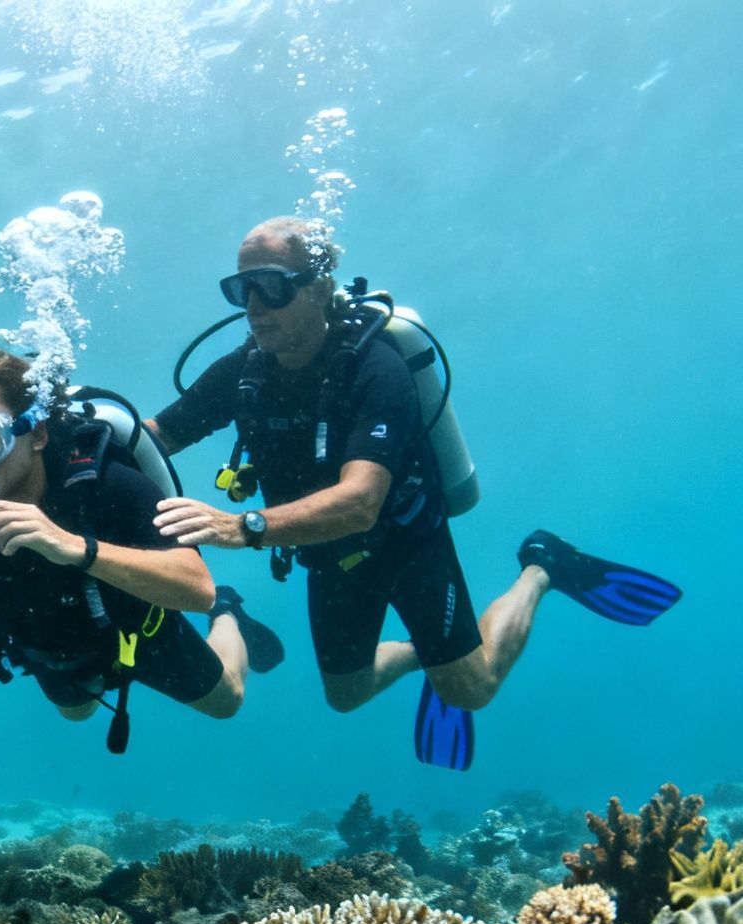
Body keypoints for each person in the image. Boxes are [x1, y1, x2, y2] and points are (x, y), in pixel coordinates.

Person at [149, 217, 680, 762]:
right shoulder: (244, 371)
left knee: (471, 689)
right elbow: (157, 436)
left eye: (273, 286)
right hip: (328, 557)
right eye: (242, 289)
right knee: (345, 695)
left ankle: (542, 566)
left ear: (319, 286)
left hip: (405, 543)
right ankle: (425, 653)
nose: (255, 306)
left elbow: (361, 501)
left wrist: (243, 527)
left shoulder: (375, 369)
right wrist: (84, 437)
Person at [0, 351, 282, 740]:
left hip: (140, 630)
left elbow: (197, 590)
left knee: (227, 700)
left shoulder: (103, 485)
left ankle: (231, 613)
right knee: (77, 712)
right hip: (47, 650)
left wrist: (74, 547)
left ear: (37, 435)